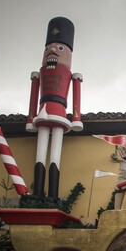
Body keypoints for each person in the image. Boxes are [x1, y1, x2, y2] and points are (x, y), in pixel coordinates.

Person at [26, 16, 83, 198]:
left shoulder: (71, 74)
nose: (52, 50)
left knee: (55, 157)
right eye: (48, 48)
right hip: (43, 111)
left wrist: (76, 118)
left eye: (59, 48)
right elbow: (34, 94)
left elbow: (76, 95)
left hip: (60, 111)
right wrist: (30, 119)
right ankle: (38, 194)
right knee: (40, 155)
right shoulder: (40, 73)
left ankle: (53, 195)